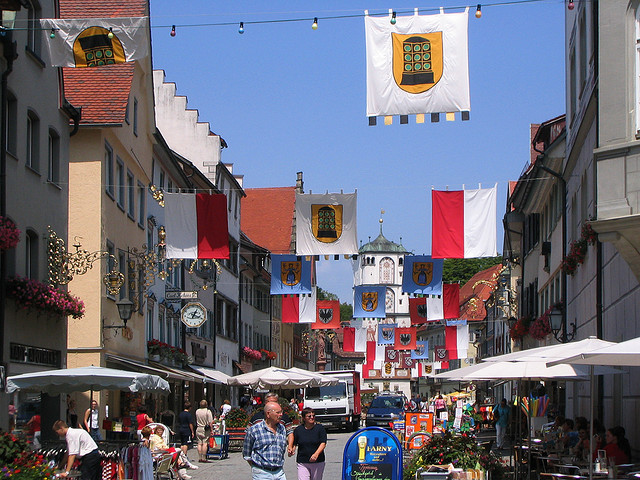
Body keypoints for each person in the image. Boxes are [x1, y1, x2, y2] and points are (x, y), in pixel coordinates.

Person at [243, 401, 288, 480]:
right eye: (278, 412)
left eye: (281, 412)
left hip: (279, 472)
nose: (281, 415)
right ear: (268, 414)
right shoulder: (254, 430)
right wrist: (256, 467)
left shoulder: (282, 429)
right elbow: (247, 453)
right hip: (262, 473)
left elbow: (282, 449)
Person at [288, 408, 327, 480]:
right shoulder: (298, 430)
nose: (312, 417)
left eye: (313, 416)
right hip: (303, 462)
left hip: (317, 462)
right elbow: (295, 443)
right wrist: (291, 450)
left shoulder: (319, 428)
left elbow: (323, 443)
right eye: (309, 416)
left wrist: (316, 454)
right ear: (303, 418)